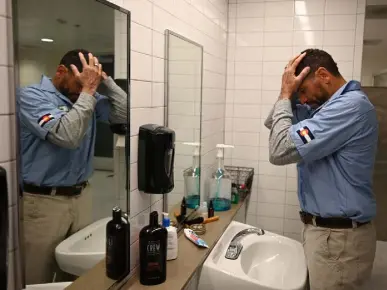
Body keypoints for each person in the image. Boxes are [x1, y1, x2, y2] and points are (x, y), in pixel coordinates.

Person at [265, 49, 378, 290]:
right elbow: (272, 123)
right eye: (299, 93)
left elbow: (279, 149)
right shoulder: (325, 109)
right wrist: (290, 92)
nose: (302, 100)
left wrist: (287, 94)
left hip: (340, 240)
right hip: (328, 234)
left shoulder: (350, 108)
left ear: (324, 75)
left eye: (303, 91)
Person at [17, 49, 128, 284]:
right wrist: (88, 90)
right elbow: (67, 136)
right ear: (61, 72)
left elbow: (125, 115)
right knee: (39, 274)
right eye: (79, 83)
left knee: (77, 272)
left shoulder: (88, 97)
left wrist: (105, 83)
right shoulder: (30, 97)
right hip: (43, 203)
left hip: (81, 196)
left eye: (89, 84)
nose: (84, 90)